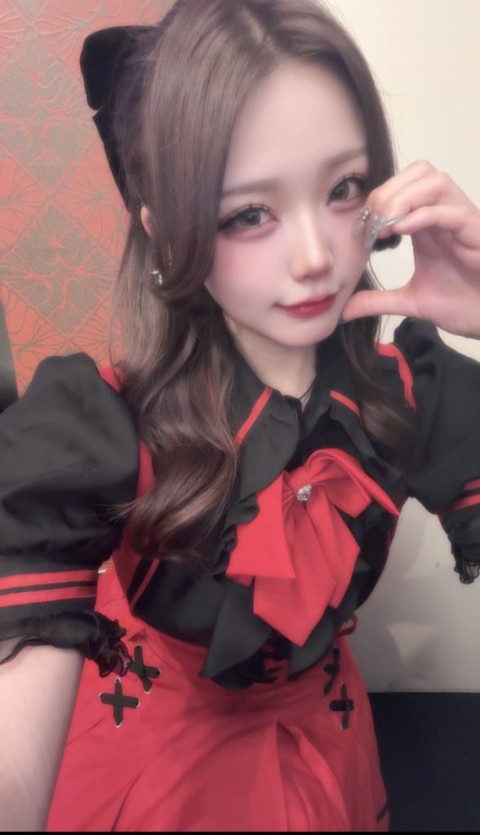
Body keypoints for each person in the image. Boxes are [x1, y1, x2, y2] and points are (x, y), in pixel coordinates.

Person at [1, 0, 480, 830]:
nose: (316, 257)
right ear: (163, 230)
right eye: (248, 212)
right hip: (152, 756)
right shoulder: (101, 426)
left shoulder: (414, 386)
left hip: (331, 737)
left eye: (343, 188)